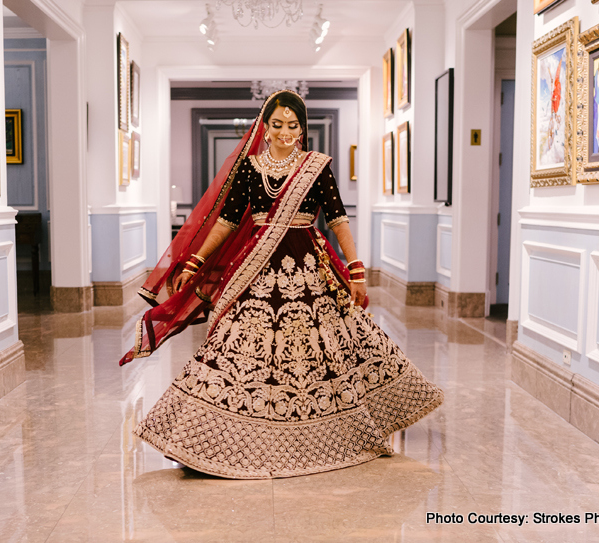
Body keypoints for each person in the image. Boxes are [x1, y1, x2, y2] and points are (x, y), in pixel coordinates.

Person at [120, 90, 443, 479]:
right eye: (277, 124)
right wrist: (196, 259)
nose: (285, 132)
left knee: (326, 348)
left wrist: (355, 269)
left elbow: (338, 220)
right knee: (235, 347)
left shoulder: (316, 167)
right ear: (264, 127)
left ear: (303, 130)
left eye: (293, 125)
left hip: (308, 266)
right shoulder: (250, 168)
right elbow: (226, 221)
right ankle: (213, 433)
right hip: (255, 269)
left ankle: (328, 429)